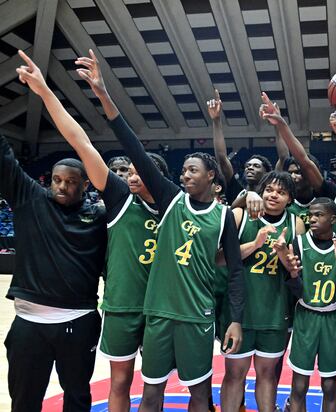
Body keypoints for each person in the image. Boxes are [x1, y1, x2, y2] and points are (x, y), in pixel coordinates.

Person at [76, 49, 244, 411]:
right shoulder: (171, 200)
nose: (185, 175)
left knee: (200, 395)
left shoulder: (223, 216)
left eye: (193, 170)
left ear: (211, 176)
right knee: (151, 393)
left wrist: (236, 322)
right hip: (158, 315)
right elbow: (132, 146)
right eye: (183, 170)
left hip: (197, 316)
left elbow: (234, 273)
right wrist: (104, 94)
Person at [19, 49, 171, 411]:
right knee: (119, 383)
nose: (133, 174)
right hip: (120, 306)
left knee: (154, 388)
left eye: (142, 170)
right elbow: (80, 142)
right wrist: (44, 91)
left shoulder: (174, 204)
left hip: (162, 309)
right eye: (131, 169)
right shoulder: (119, 198)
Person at [3, 50, 107, 411]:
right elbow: (4, 157)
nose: (62, 187)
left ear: (84, 186)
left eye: (71, 182)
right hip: (28, 322)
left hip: (78, 321)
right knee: (24, 401)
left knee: (77, 399)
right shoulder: (30, 198)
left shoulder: (99, 216)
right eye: (57, 180)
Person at [220, 170, 304, 412]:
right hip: (239, 313)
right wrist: (255, 244)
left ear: (290, 199)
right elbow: (219, 259)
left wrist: (286, 259)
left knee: (267, 374)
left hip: (275, 312)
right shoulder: (240, 215)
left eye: (281, 192)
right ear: (260, 191)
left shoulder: (295, 223)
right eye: (269, 190)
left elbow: (295, 272)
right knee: (235, 374)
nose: (274, 195)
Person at [277, 197, 336, 412]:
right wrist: (292, 273)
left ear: (333, 219)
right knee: (299, 386)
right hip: (306, 317)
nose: (312, 219)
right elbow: (298, 290)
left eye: (318, 215)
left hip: (332, 319)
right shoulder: (299, 242)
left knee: (329, 385)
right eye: (310, 215)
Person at [207, 89, 272, 204]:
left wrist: (277, 124)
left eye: (256, 165)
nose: (250, 168)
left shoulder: (272, 197)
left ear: (266, 173)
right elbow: (222, 158)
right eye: (248, 166)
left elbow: (284, 158)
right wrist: (216, 120)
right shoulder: (237, 192)